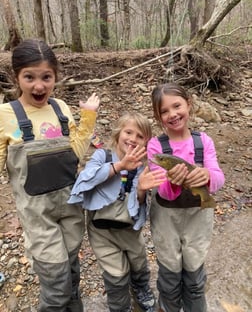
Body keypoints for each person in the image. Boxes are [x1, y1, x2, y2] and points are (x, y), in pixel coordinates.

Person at [0, 39, 100, 312]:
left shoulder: (61, 109)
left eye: (46, 77)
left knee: (72, 273)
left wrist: (88, 118)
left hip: (70, 211)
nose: (39, 85)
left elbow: (75, 154)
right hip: (38, 219)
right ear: (16, 77)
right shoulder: (5, 115)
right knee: (56, 287)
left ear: (55, 76)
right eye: (29, 77)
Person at [68, 112, 166, 312]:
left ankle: (140, 288)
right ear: (118, 134)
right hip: (101, 230)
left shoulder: (143, 168)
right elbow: (83, 182)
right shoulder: (102, 155)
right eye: (128, 132)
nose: (133, 139)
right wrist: (119, 166)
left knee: (139, 262)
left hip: (129, 228)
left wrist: (140, 191)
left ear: (146, 143)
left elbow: (139, 206)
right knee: (116, 273)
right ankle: (120, 306)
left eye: (140, 136)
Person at [147, 83, 225, 312]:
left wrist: (207, 176)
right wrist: (172, 182)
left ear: (189, 105)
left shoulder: (204, 142)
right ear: (158, 116)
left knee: (194, 270)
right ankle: (169, 305)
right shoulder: (156, 147)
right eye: (164, 111)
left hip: (198, 218)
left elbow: (219, 178)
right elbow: (162, 190)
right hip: (166, 221)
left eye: (177, 106)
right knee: (169, 271)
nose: (172, 114)